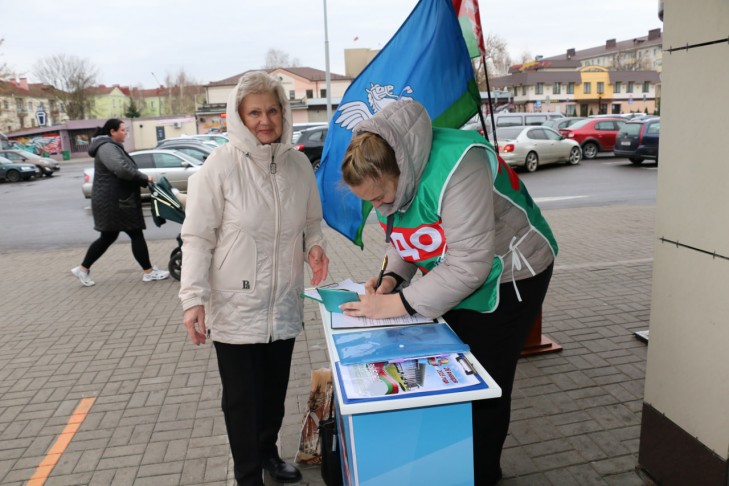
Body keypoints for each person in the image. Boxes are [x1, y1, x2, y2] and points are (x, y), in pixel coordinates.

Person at [339, 100, 557, 485]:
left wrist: (395, 304)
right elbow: (406, 233)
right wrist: (390, 277)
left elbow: (470, 264)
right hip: (458, 276)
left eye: (378, 197)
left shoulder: (460, 164)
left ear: (399, 172)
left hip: (512, 275)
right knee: (455, 371)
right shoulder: (393, 179)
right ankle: (449, 464)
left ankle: (482, 473)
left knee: (484, 382)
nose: (377, 207)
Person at [179, 71, 329, 486]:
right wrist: (193, 299)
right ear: (238, 117)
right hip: (235, 304)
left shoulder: (299, 164)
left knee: (273, 392)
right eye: (255, 113)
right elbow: (196, 237)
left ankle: (267, 454)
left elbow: (311, 220)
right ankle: (247, 475)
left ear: (284, 114)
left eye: (273, 111)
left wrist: (314, 245)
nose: (265, 120)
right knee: (242, 400)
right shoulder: (220, 166)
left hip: (283, 300)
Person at [71, 119, 169, 287]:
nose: (125, 133)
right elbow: (121, 168)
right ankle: (149, 272)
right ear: (112, 132)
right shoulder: (107, 147)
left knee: (108, 236)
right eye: (123, 130)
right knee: (135, 233)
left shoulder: (108, 146)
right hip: (116, 201)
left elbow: (122, 167)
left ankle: (83, 268)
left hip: (113, 200)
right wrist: (143, 178)